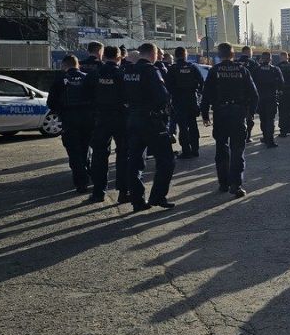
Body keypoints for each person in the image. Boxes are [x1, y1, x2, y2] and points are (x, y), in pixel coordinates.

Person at [201, 42, 258, 197]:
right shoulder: (242, 70)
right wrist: (251, 112)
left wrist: (205, 114)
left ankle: (223, 183)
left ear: (219, 55)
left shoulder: (214, 70)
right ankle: (236, 185)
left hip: (220, 113)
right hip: (238, 113)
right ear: (233, 55)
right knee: (237, 149)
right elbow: (254, 95)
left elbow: (206, 95)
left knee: (221, 147)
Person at [123, 43, 176, 211]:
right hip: (152, 122)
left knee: (135, 162)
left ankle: (137, 200)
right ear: (152, 54)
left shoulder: (127, 71)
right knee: (166, 160)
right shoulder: (151, 71)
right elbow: (162, 96)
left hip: (133, 119)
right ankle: (158, 196)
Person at [85, 45, 128, 203]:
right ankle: (124, 192)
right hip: (121, 118)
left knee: (99, 155)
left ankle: (98, 192)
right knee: (124, 154)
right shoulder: (122, 74)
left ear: (103, 57)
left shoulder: (94, 74)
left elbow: (86, 94)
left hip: (100, 118)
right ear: (119, 57)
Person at [47, 55, 93, 193]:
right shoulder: (88, 77)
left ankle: (81, 182)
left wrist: (61, 112)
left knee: (74, 151)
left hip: (69, 120)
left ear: (63, 65)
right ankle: (88, 174)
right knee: (85, 148)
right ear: (77, 64)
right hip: (88, 120)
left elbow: (51, 103)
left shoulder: (60, 80)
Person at [166, 46, 203, 159]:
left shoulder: (173, 68)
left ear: (176, 56)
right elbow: (201, 81)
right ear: (185, 55)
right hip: (191, 100)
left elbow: (167, 85)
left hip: (178, 101)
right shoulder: (193, 67)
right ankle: (195, 149)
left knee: (182, 127)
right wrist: (198, 94)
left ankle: (186, 151)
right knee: (193, 125)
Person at [253, 51, 284, 148]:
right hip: (271, 98)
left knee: (263, 119)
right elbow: (281, 83)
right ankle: (270, 141)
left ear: (262, 59)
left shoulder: (256, 69)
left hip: (260, 98)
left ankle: (265, 137)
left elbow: (252, 84)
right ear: (270, 59)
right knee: (270, 120)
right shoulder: (275, 69)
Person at [237, 46, 259, 141]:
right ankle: (248, 136)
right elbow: (259, 77)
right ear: (249, 52)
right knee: (249, 116)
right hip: (249, 93)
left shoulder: (235, 62)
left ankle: (238, 136)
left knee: (238, 117)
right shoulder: (253, 63)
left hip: (237, 94)